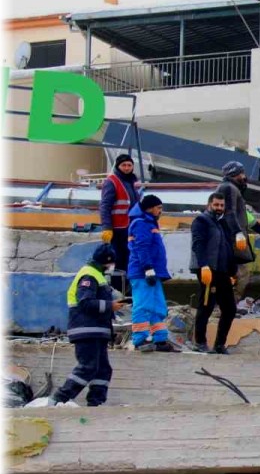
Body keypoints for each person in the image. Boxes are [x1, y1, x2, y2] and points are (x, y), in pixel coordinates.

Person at [44, 245, 121, 406]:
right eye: (111, 263)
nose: (112, 266)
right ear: (105, 262)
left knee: (103, 369)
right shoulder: (89, 275)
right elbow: (85, 302)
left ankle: (96, 403)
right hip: (86, 330)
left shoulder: (98, 275)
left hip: (98, 331)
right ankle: (58, 399)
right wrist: (110, 306)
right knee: (88, 367)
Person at [191, 192, 236, 354]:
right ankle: (200, 342)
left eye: (222, 205)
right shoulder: (201, 221)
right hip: (208, 271)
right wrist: (203, 266)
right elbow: (198, 245)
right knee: (206, 306)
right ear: (209, 204)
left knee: (230, 309)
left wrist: (232, 272)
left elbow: (228, 248)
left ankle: (219, 344)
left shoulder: (222, 223)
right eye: (216, 205)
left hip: (222, 271)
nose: (219, 208)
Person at [127, 194, 174, 352]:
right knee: (143, 305)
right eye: (159, 208)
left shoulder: (148, 223)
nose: (161, 211)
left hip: (151, 272)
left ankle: (159, 339)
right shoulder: (142, 224)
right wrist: (148, 268)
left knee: (157, 306)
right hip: (143, 273)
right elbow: (142, 246)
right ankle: (140, 339)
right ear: (150, 208)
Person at [217, 161, 260, 298]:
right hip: (231, 242)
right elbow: (229, 213)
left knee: (240, 274)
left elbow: (243, 215)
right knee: (238, 275)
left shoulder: (231, 189)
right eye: (241, 173)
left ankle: (227, 306)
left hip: (232, 241)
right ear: (234, 174)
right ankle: (225, 307)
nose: (244, 176)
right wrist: (237, 233)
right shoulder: (229, 188)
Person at [99, 153, 141, 286]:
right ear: (118, 166)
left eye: (129, 165)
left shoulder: (132, 182)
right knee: (117, 261)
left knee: (128, 260)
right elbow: (105, 206)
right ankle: (117, 289)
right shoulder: (112, 182)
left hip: (130, 228)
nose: (127, 168)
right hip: (117, 230)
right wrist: (107, 227)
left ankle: (125, 289)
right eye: (124, 165)